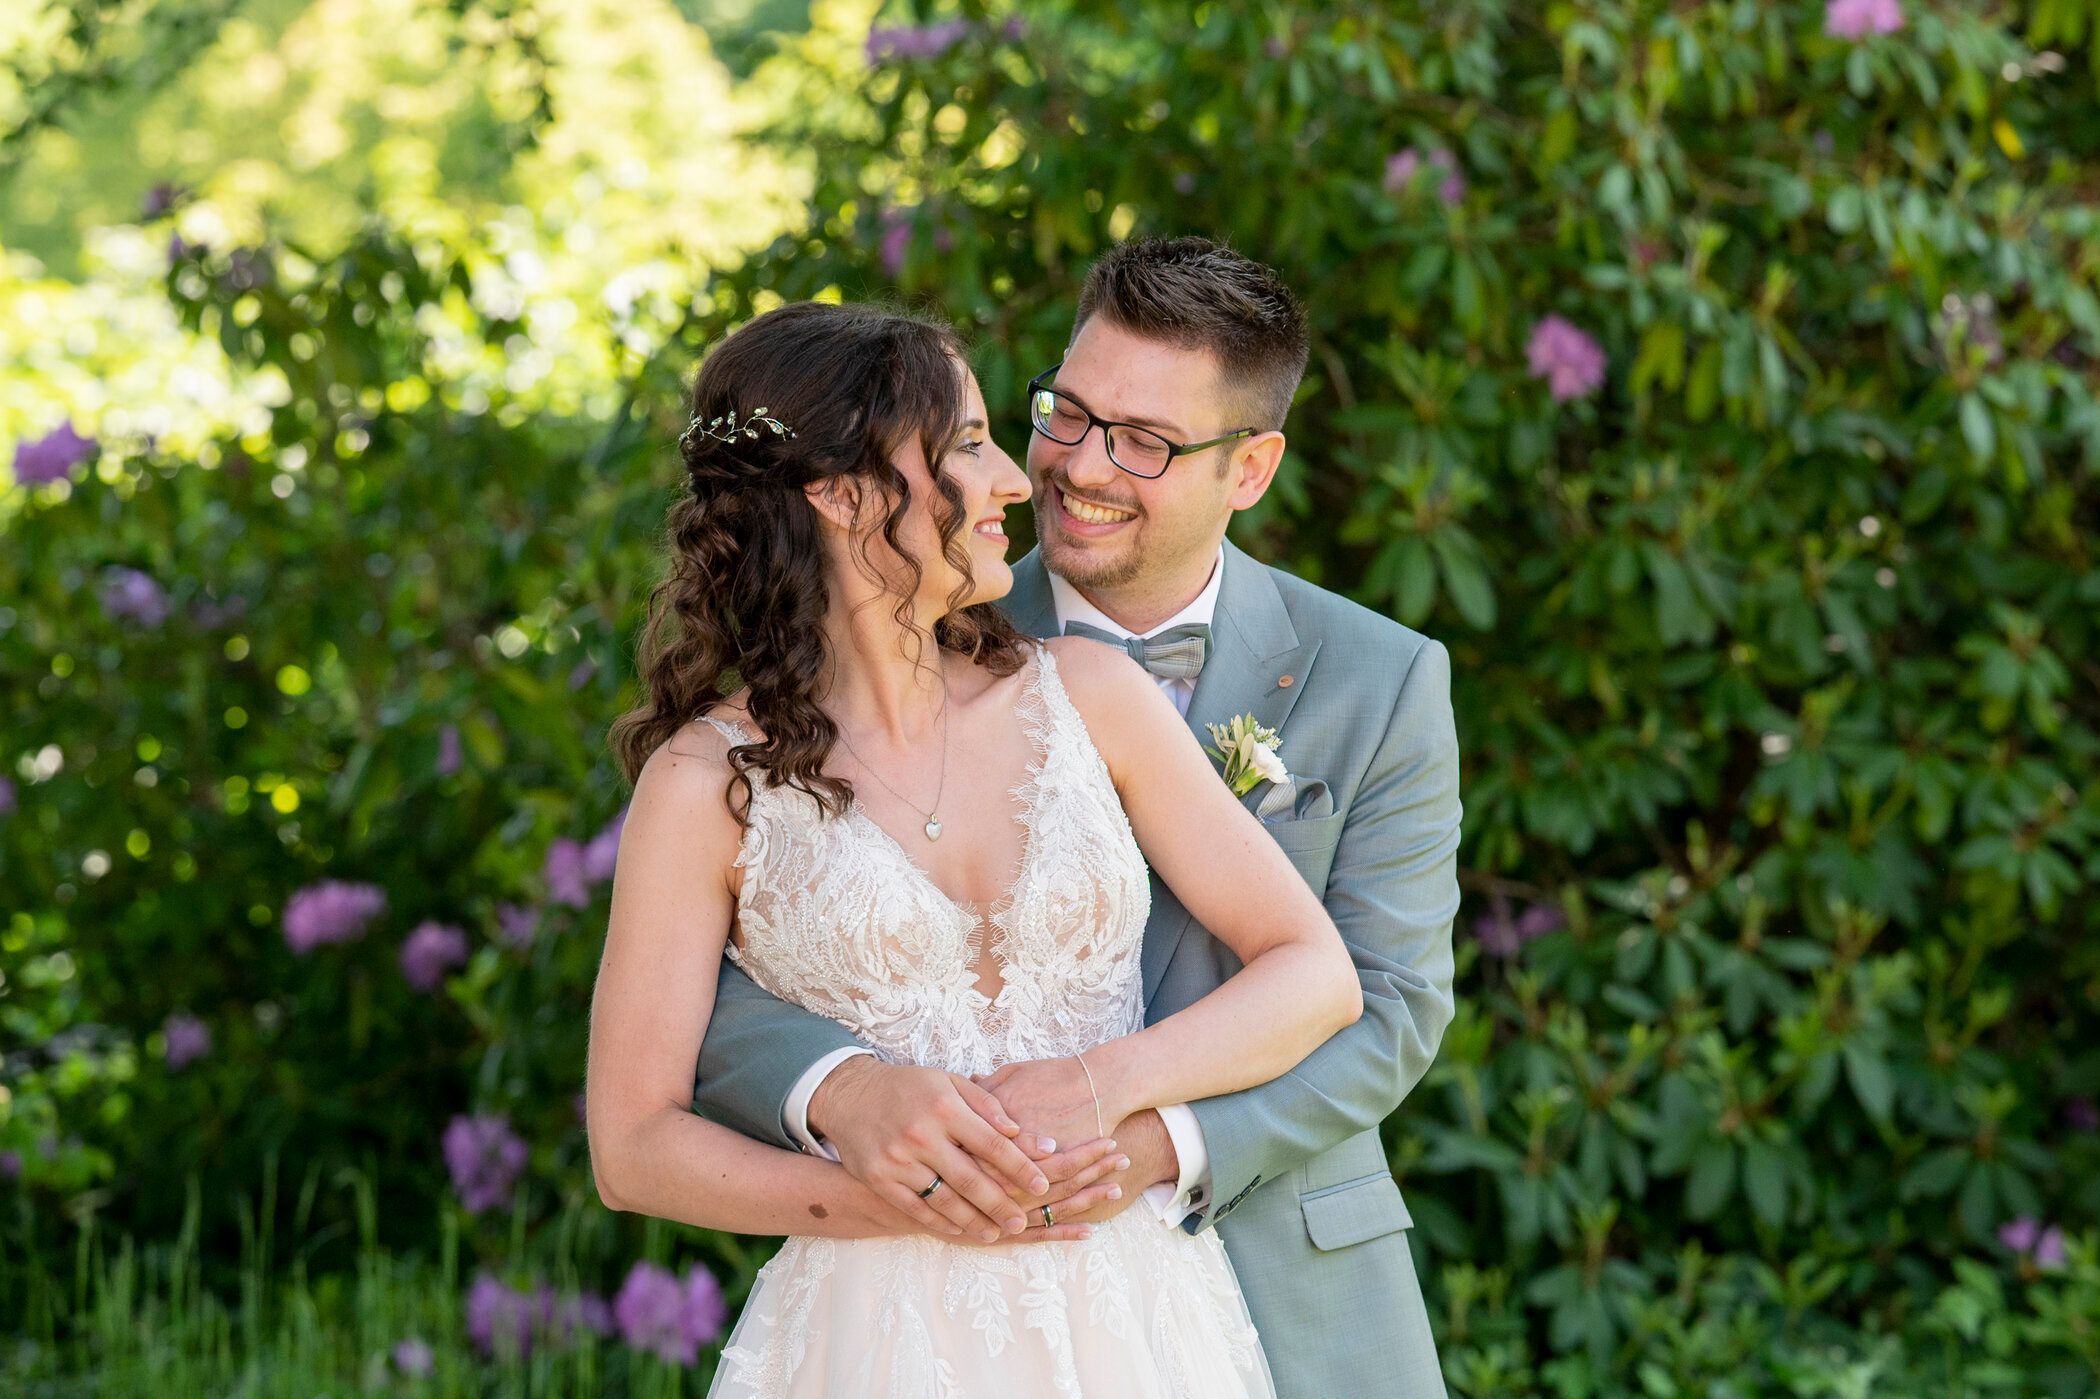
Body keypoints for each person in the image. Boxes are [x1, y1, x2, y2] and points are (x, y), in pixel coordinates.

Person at [692, 239, 1462, 1398]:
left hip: (1288, 1282)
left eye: (1145, 441)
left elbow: (1388, 1000)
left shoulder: (1381, 678)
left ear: (1249, 468)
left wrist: (1139, 1143)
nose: (1078, 466)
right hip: (934, 1298)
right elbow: (729, 951)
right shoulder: (910, 608)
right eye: (1067, 412)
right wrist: (841, 1089)